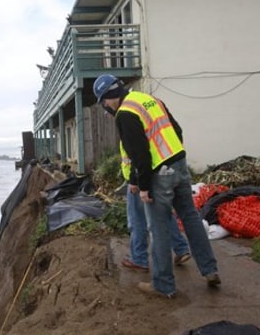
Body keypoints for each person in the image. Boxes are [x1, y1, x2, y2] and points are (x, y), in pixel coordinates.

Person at [94, 74, 220, 299]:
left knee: (159, 228)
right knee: (190, 218)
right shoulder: (149, 100)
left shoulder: (125, 114)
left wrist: (142, 186)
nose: (106, 107)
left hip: (159, 173)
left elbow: (140, 155)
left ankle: (163, 285)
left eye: (104, 102)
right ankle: (210, 270)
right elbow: (177, 131)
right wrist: (173, 159)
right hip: (179, 163)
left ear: (109, 97)